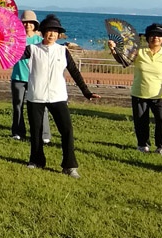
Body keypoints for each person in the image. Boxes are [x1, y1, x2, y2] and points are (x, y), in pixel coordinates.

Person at [19, 14, 100, 178]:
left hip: (58, 97)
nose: (52, 34)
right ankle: (36, 160)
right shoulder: (32, 49)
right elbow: (11, 56)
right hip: (36, 96)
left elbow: (74, 72)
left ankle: (69, 166)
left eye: (55, 31)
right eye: (49, 31)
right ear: (43, 32)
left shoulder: (63, 51)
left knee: (67, 130)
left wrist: (86, 92)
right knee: (36, 131)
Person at [108, 22, 162, 156]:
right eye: (152, 35)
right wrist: (113, 49)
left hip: (159, 95)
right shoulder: (139, 52)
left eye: (159, 36)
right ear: (147, 38)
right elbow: (123, 61)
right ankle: (143, 145)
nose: (155, 38)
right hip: (139, 93)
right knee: (141, 121)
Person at [9, 10, 51, 144]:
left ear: (35, 25)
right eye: (25, 22)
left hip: (36, 78)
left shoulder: (40, 41)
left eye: (30, 23)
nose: (27, 25)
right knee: (18, 105)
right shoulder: (16, 39)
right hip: (18, 77)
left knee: (41, 106)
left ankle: (44, 134)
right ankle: (18, 132)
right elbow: (5, 53)